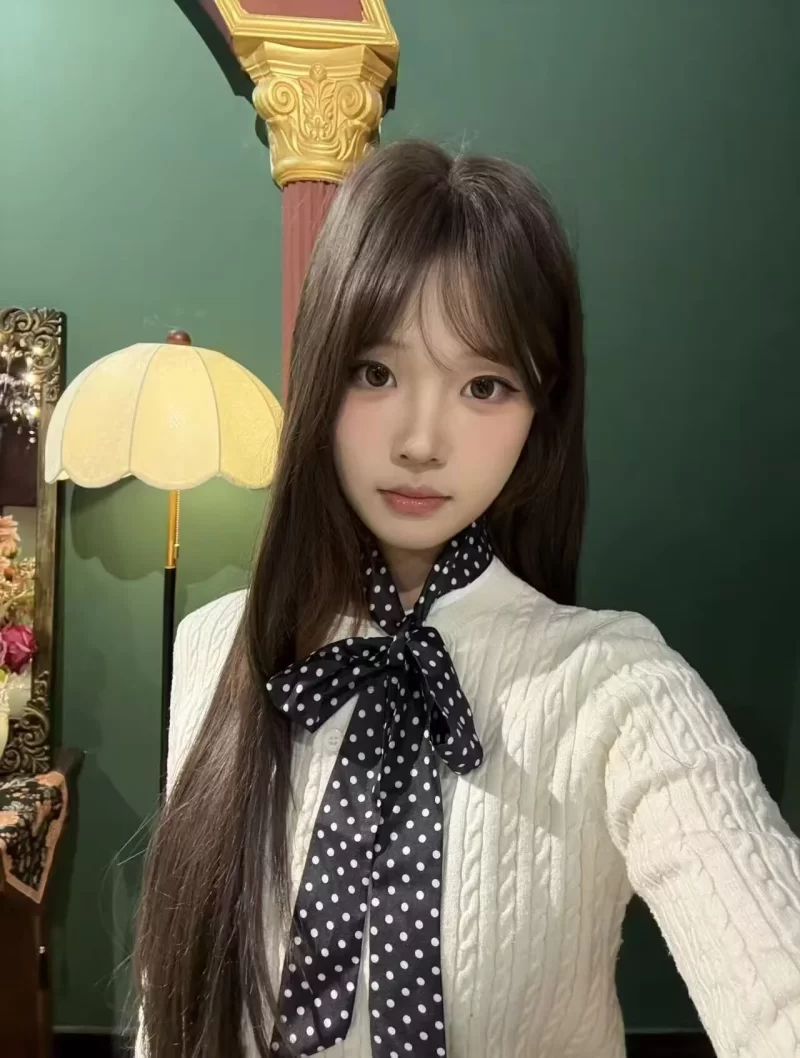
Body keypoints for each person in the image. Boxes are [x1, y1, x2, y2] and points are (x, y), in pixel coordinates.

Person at [133, 140, 800, 1058]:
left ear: (540, 413)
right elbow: (165, 1011)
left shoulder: (618, 686)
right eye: (376, 372)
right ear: (321, 371)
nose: (421, 441)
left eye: (484, 385)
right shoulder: (218, 647)